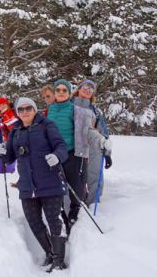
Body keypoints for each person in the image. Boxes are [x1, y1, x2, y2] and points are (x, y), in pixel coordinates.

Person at [0, 97, 69, 271]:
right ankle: (49, 253)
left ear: (35, 109)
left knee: (54, 221)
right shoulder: (15, 131)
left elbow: (61, 146)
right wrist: (2, 153)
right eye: (20, 110)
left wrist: (57, 156)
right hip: (27, 187)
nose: (25, 112)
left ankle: (59, 260)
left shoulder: (46, 125)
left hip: (49, 182)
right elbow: (10, 158)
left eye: (28, 108)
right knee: (34, 222)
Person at [47, 79, 106, 231]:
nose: (61, 92)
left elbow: (88, 130)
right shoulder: (50, 109)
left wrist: (102, 141)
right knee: (55, 186)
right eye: (58, 90)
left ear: (68, 92)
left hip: (73, 152)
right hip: (53, 155)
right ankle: (60, 215)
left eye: (64, 90)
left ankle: (76, 211)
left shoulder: (76, 109)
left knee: (77, 185)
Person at [74, 79, 113, 205]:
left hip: (92, 148)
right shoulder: (68, 105)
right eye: (85, 87)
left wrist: (107, 153)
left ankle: (92, 204)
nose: (87, 90)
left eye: (91, 89)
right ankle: (73, 206)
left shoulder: (95, 111)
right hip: (72, 146)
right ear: (79, 89)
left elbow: (104, 133)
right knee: (73, 177)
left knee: (94, 176)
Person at [0, 96, 19, 172]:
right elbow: (5, 133)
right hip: (14, 141)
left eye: (3, 104)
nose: (2, 106)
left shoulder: (14, 111)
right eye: (0, 105)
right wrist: (6, 143)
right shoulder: (2, 118)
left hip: (22, 138)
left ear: (7, 103)